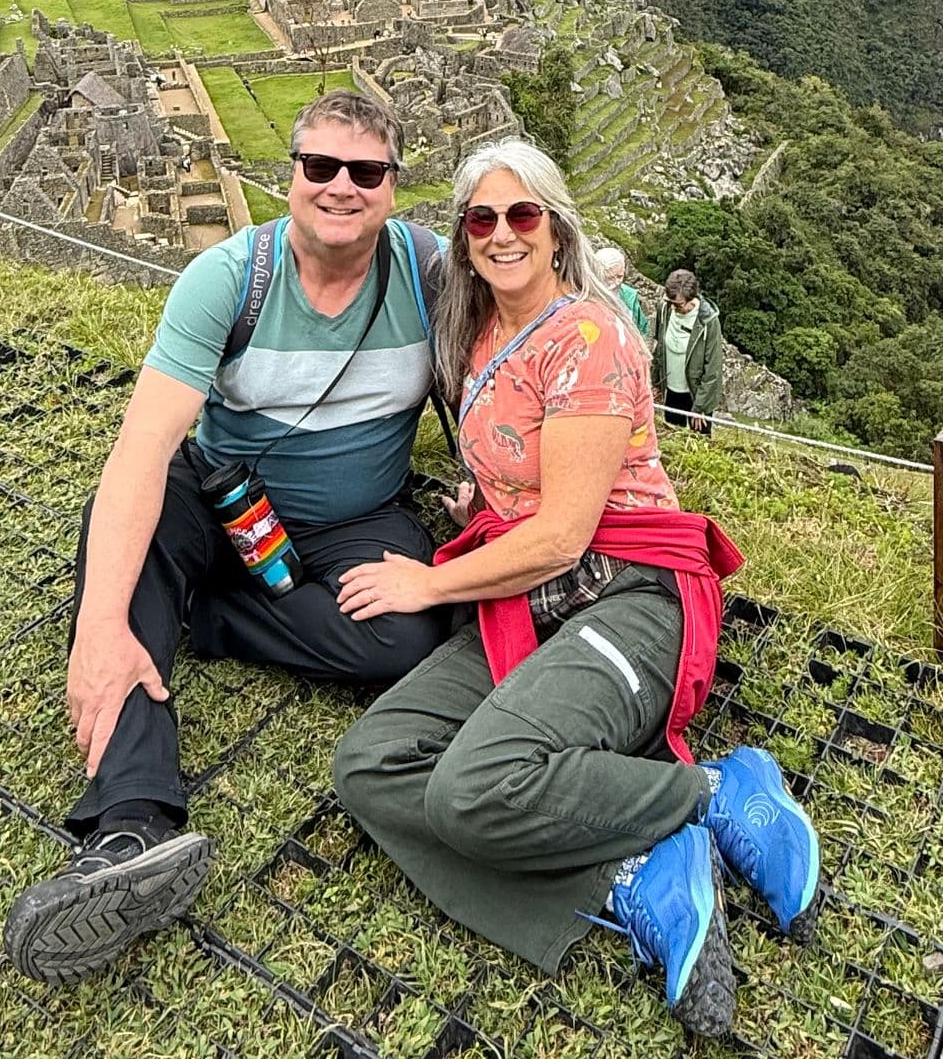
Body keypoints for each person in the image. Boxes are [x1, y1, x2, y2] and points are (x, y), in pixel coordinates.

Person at [331, 139, 817, 1039]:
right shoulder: (472, 332)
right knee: (369, 765)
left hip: (625, 593)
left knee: (473, 790)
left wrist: (425, 584)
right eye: (483, 219)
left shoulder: (591, 335)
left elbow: (560, 536)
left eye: (525, 215)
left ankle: (712, 791)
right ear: (465, 236)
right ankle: (632, 871)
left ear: (558, 229)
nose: (504, 234)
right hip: (528, 602)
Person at [4, 90, 450, 984]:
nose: (339, 188)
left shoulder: (428, 271)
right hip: (224, 496)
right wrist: (95, 631)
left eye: (364, 171)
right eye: (319, 166)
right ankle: (131, 821)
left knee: (410, 637)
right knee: (124, 542)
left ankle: (196, 617)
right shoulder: (229, 279)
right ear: (291, 174)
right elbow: (141, 450)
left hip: (355, 517)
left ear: (393, 187)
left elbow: (486, 381)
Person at [654, 268, 724, 433]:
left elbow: (713, 369)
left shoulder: (708, 321)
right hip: (671, 392)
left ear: (691, 298)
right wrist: (656, 382)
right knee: (671, 436)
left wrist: (701, 407)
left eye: (678, 304)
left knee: (699, 443)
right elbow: (659, 348)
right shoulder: (664, 310)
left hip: (695, 395)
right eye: (670, 303)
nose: (673, 307)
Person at [595, 242, 650, 340]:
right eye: (610, 278)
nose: (616, 282)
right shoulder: (587, 296)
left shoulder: (630, 296)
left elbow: (642, 329)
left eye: (620, 276)